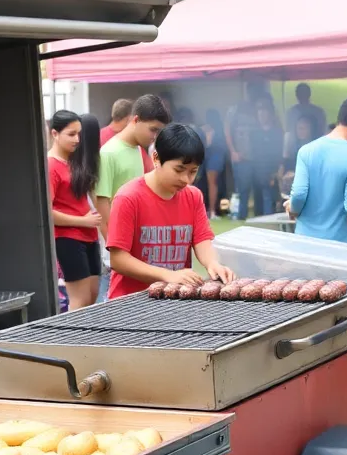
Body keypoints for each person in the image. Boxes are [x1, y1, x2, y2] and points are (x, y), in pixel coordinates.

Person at [106, 124, 236, 297]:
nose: (186, 179)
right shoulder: (128, 197)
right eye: (179, 170)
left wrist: (213, 263)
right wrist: (168, 275)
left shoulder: (193, 196)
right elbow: (118, 259)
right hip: (130, 301)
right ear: (156, 159)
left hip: (173, 300)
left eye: (193, 172)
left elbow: (202, 239)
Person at [94, 95, 170, 300]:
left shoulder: (137, 149)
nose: (155, 136)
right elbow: (102, 204)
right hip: (117, 246)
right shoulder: (108, 153)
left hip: (136, 243)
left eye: (158, 131)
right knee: (109, 299)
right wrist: (116, 247)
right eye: (153, 129)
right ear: (135, 120)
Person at [285, 99, 347, 243]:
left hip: (305, 241)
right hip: (340, 243)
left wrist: (292, 207)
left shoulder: (306, 151)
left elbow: (299, 195)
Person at [47, 111, 103, 311]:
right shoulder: (51, 165)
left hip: (89, 235)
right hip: (68, 238)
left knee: (92, 296)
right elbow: (47, 212)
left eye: (79, 134)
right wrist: (82, 221)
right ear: (55, 134)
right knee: (79, 302)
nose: (77, 139)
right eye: (71, 134)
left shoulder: (74, 161)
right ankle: (71, 341)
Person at [226, 82, 267, 219]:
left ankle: (259, 217)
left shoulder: (260, 108)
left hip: (258, 156)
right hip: (241, 156)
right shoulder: (235, 109)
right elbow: (227, 130)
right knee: (242, 190)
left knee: (258, 188)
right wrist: (233, 151)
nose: (253, 95)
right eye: (251, 92)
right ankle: (240, 216)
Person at [249, 98, 285, 217]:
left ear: (270, 114)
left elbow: (279, 153)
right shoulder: (254, 133)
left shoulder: (277, 132)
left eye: (264, 113)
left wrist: (275, 172)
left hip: (271, 172)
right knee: (259, 201)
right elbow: (253, 153)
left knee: (269, 200)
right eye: (259, 113)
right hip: (257, 171)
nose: (261, 116)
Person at [202, 108, 228, 217]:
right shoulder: (221, 129)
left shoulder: (211, 130)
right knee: (216, 184)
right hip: (219, 159)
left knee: (212, 185)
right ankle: (213, 210)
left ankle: (212, 211)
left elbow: (207, 144)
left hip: (212, 159)